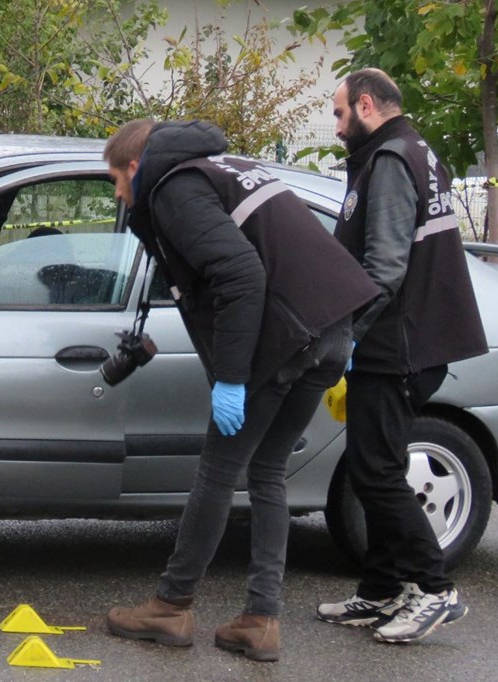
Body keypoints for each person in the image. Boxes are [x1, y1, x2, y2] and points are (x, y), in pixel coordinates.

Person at [101, 119, 379, 662]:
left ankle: (171, 606)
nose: (116, 193)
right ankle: (260, 619)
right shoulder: (228, 167)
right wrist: (342, 335)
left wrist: (231, 376)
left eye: (115, 178)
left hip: (283, 340)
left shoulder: (176, 187)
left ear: (136, 165)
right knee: (268, 469)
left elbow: (242, 274)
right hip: (327, 333)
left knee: (219, 471)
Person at [315, 68, 488, 644]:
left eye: (340, 113)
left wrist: (349, 335)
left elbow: (384, 267)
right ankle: (382, 590)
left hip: (398, 344)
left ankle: (435, 590)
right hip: (414, 339)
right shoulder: (416, 149)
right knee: (375, 465)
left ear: (366, 105)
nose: (337, 127)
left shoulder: (389, 160)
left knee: (378, 470)